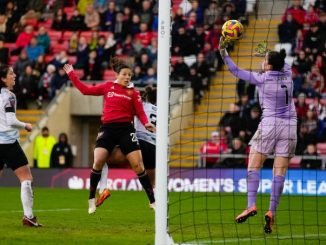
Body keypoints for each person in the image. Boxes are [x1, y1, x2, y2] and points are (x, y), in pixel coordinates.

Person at [219, 38, 297, 233]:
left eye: (265, 61)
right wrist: (267, 54)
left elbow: (235, 70)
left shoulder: (262, 79)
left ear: (269, 65)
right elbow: (278, 61)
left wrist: (223, 52)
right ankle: (271, 212)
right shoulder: (288, 73)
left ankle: (251, 204)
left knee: (253, 164)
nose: (262, 62)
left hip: (270, 124)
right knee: (279, 172)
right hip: (290, 127)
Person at [63, 57, 156, 214]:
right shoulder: (107, 87)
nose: (128, 77)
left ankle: (152, 201)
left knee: (138, 165)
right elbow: (85, 90)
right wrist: (72, 74)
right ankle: (92, 199)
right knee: (98, 160)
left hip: (126, 130)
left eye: (130, 75)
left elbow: (140, 111)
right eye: (125, 74)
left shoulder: (134, 93)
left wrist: (146, 122)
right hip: (107, 129)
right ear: (118, 74)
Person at [96, 86, 157, 207]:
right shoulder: (162, 111)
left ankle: (103, 189)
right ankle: (155, 206)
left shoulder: (141, 105)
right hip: (154, 148)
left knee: (102, 158)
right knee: (152, 184)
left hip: (138, 143)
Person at [0, 64, 42, 227]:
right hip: (8, 143)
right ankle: (29, 217)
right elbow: (10, 121)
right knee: (26, 179)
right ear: (3, 79)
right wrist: (26, 125)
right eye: (11, 73)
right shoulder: (9, 96)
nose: (15, 75)